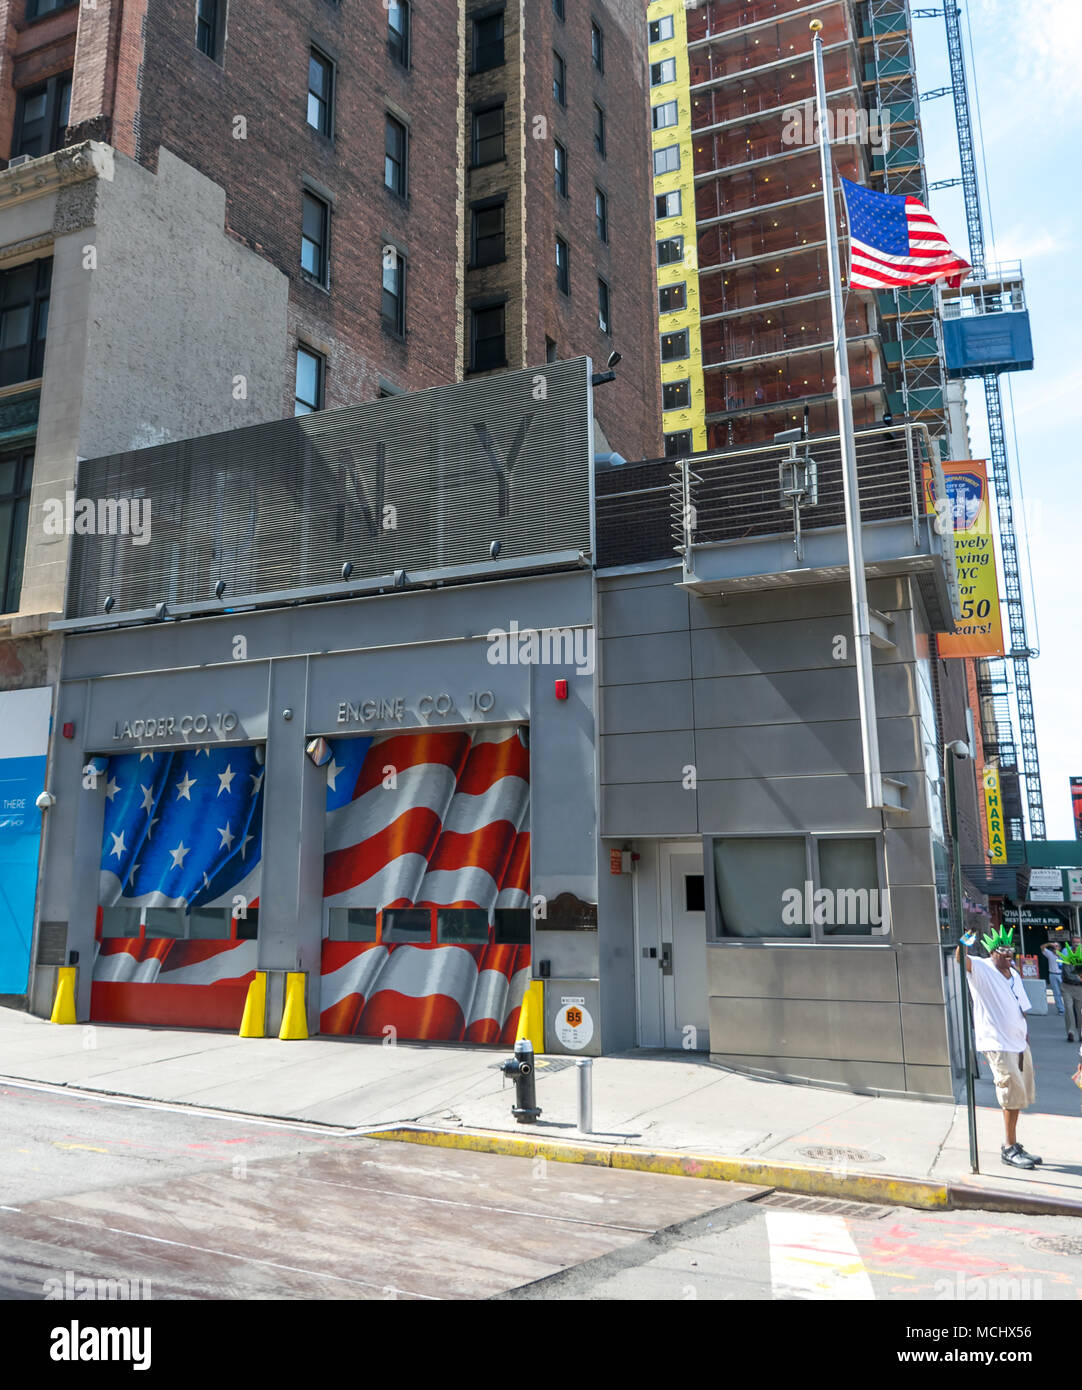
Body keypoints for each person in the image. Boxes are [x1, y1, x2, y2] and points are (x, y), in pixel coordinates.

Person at [956, 925, 1042, 1170]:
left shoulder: (1014, 974)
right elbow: (961, 958)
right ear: (992, 952)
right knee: (1009, 1094)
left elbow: (1020, 1009)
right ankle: (1008, 1147)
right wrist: (966, 938)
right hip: (997, 1043)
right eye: (1003, 951)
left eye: (1010, 951)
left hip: (1018, 1043)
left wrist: (1025, 1036)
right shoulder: (982, 968)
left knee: (1019, 1095)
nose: (1008, 955)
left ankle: (1013, 1143)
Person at [1061, 940, 1082, 1043]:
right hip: (1067, 987)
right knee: (1069, 1009)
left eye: (1078, 945)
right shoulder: (1067, 958)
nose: (1076, 947)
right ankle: (1071, 1032)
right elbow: (1068, 974)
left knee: (1079, 1011)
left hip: (1079, 988)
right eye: (1075, 945)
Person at [1042, 939, 1066, 1019]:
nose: (1055, 947)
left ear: (1060, 947)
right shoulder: (1050, 954)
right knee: (1056, 993)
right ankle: (1061, 1009)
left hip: (1061, 974)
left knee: (1065, 992)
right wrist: (1049, 944)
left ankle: (1068, 1008)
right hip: (1052, 974)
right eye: (1054, 946)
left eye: (1057, 946)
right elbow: (1042, 947)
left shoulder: (1063, 954)